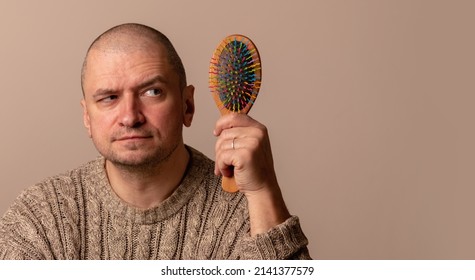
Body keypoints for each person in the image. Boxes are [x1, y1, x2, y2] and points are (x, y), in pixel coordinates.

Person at [0, 23, 310, 260]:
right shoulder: (41, 218)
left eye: (152, 92)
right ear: (87, 117)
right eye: (109, 98)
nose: (130, 116)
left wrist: (261, 190)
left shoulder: (249, 212)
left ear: (187, 105)